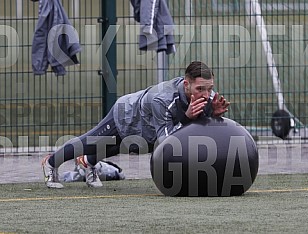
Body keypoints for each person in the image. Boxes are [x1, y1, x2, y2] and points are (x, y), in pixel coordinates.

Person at [42, 61, 230, 189]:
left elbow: (196, 126)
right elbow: (167, 143)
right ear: (186, 84)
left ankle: (88, 163)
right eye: (200, 89)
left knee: (116, 148)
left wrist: (213, 114)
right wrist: (187, 116)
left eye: (210, 88)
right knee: (90, 142)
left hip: (147, 129)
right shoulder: (162, 99)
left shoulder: (208, 96)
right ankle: (50, 164)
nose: (207, 94)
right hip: (126, 115)